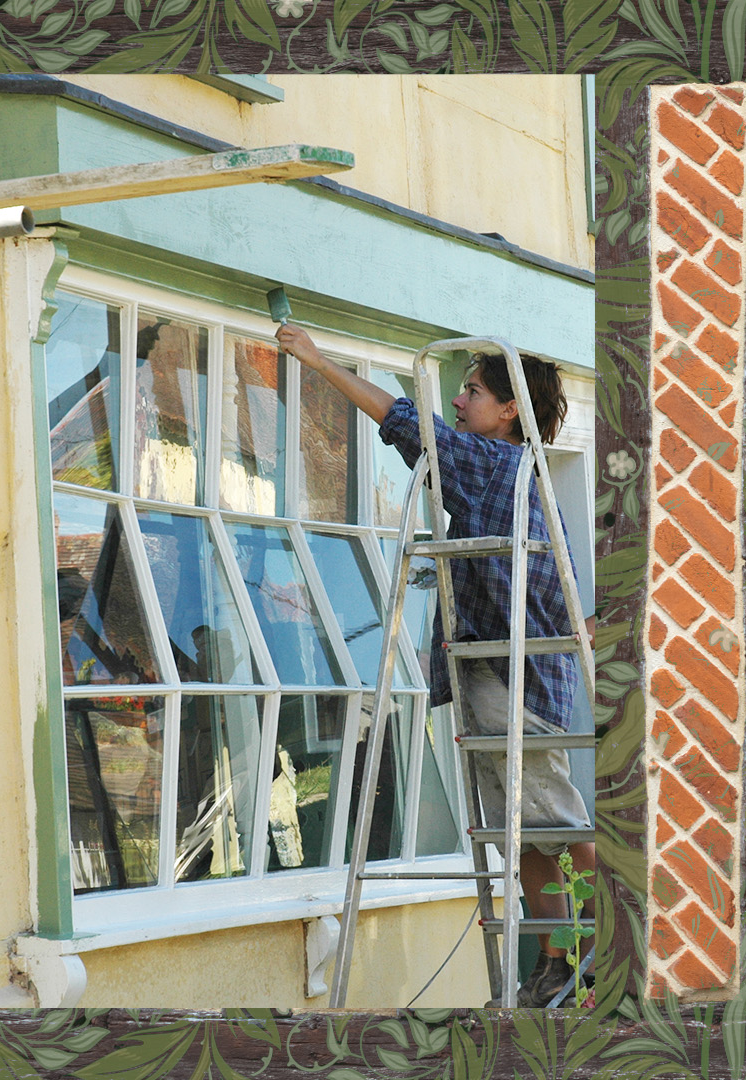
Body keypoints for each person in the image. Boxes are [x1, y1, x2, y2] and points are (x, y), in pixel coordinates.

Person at [275, 323, 595, 1008]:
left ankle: (621, 937)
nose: (458, 400)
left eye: (472, 391)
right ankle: (559, 958)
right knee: (522, 837)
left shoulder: (493, 462)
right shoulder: (517, 472)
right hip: (495, 671)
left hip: (515, 678)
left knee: (553, 826)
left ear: (508, 410)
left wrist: (317, 361)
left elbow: (402, 419)